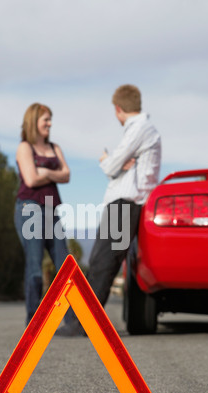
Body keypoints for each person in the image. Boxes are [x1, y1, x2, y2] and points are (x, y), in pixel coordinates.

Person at [87, 84, 162, 308]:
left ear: (118, 109)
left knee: (102, 263)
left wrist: (106, 159)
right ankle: (79, 320)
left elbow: (111, 167)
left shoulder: (139, 128)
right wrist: (121, 164)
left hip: (124, 205)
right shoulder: (141, 130)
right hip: (125, 204)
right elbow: (120, 165)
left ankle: (81, 323)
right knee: (101, 262)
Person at [14, 102, 80, 331]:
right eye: (46, 120)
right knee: (34, 265)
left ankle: (73, 321)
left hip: (51, 209)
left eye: (50, 119)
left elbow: (67, 175)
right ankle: (33, 322)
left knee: (65, 266)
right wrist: (55, 174)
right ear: (34, 121)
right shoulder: (25, 147)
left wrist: (46, 172)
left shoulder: (54, 147)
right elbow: (31, 180)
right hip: (29, 209)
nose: (50, 124)